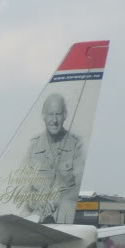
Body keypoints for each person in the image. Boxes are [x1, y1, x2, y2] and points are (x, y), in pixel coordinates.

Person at [23, 93, 85, 223]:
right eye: (51, 114)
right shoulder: (33, 145)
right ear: (43, 116)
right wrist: (36, 203)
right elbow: (24, 187)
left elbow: (79, 186)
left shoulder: (76, 145)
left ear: (65, 115)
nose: (54, 120)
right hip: (36, 215)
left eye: (58, 114)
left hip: (63, 215)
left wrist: (57, 201)